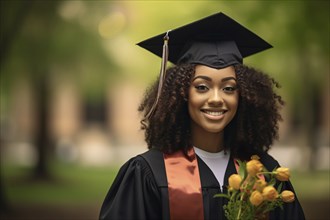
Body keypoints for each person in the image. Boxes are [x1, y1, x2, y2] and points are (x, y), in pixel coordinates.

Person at [99, 12, 305, 220]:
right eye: (202, 87)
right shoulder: (149, 173)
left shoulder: (264, 173)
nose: (216, 98)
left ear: (243, 96)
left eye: (229, 88)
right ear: (182, 94)